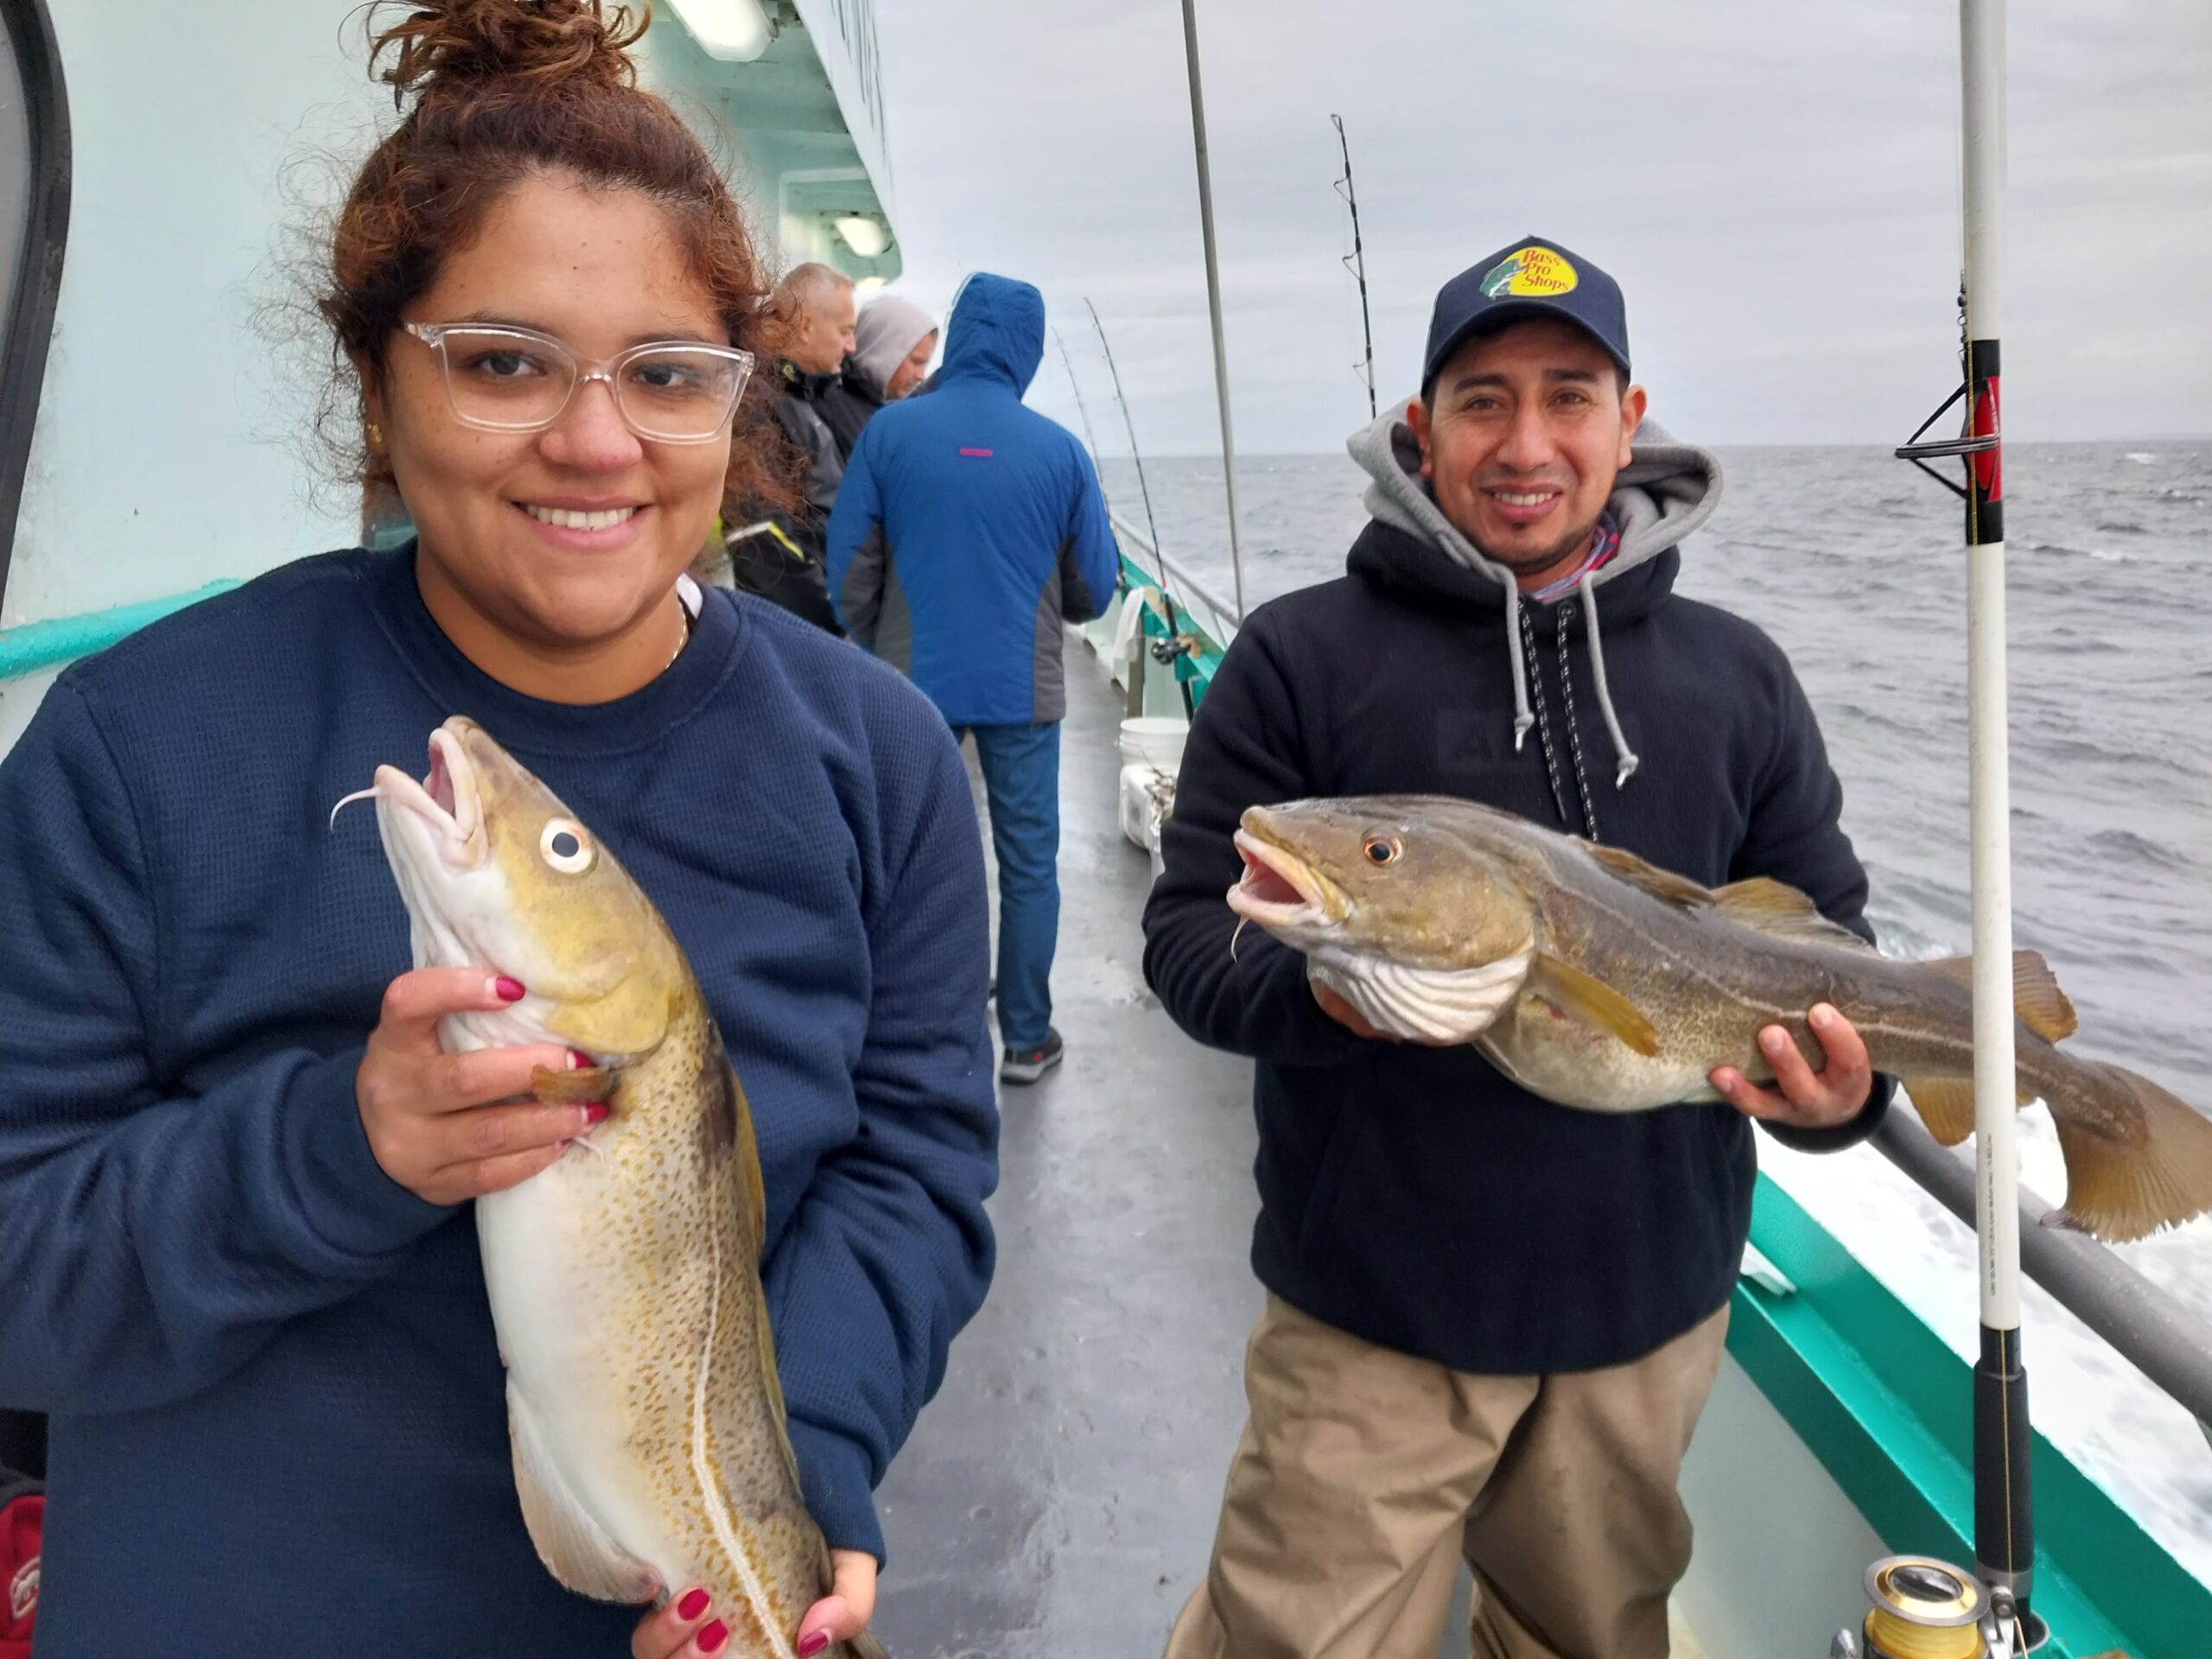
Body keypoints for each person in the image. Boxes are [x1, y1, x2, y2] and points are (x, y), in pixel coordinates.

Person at [0, 6, 997, 1656]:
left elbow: (914, 1178)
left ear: (735, 402)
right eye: (503, 362)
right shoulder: (140, 741)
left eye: (665, 376)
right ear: (378, 386)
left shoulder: (875, 757)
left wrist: (778, 1494)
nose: (594, 439)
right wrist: (344, 1146)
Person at [1141, 236, 1893, 1659]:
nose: (1527, 441)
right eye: (1483, 401)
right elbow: (1186, 936)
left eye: (1569, 396)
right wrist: (1334, 998)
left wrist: (1848, 1103)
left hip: (1646, 1305)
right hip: (1371, 1305)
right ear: (1421, 432)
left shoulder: (1738, 678)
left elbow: (1828, 940)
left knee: (1589, 1638)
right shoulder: (1300, 657)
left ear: (1632, 418)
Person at [824, 273, 1118, 1085]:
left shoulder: (890, 435)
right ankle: (1025, 1038)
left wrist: (880, 644)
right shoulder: (1059, 451)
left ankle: (895, 1033)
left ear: (960, 335)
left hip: (909, 684)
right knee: (1028, 863)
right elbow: (1094, 589)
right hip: (1023, 691)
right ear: (1025, 348)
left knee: (897, 856)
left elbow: (847, 570)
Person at [722, 261, 856, 632]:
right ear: (806, 326)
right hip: (795, 627)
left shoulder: (801, 396)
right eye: (845, 331)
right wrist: (834, 619)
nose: (852, 346)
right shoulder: (757, 400)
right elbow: (758, 532)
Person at [818, 292, 938, 457]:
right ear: (883, 351)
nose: (921, 376)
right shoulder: (835, 407)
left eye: (925, 364)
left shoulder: (878, 406)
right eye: (917, 362)